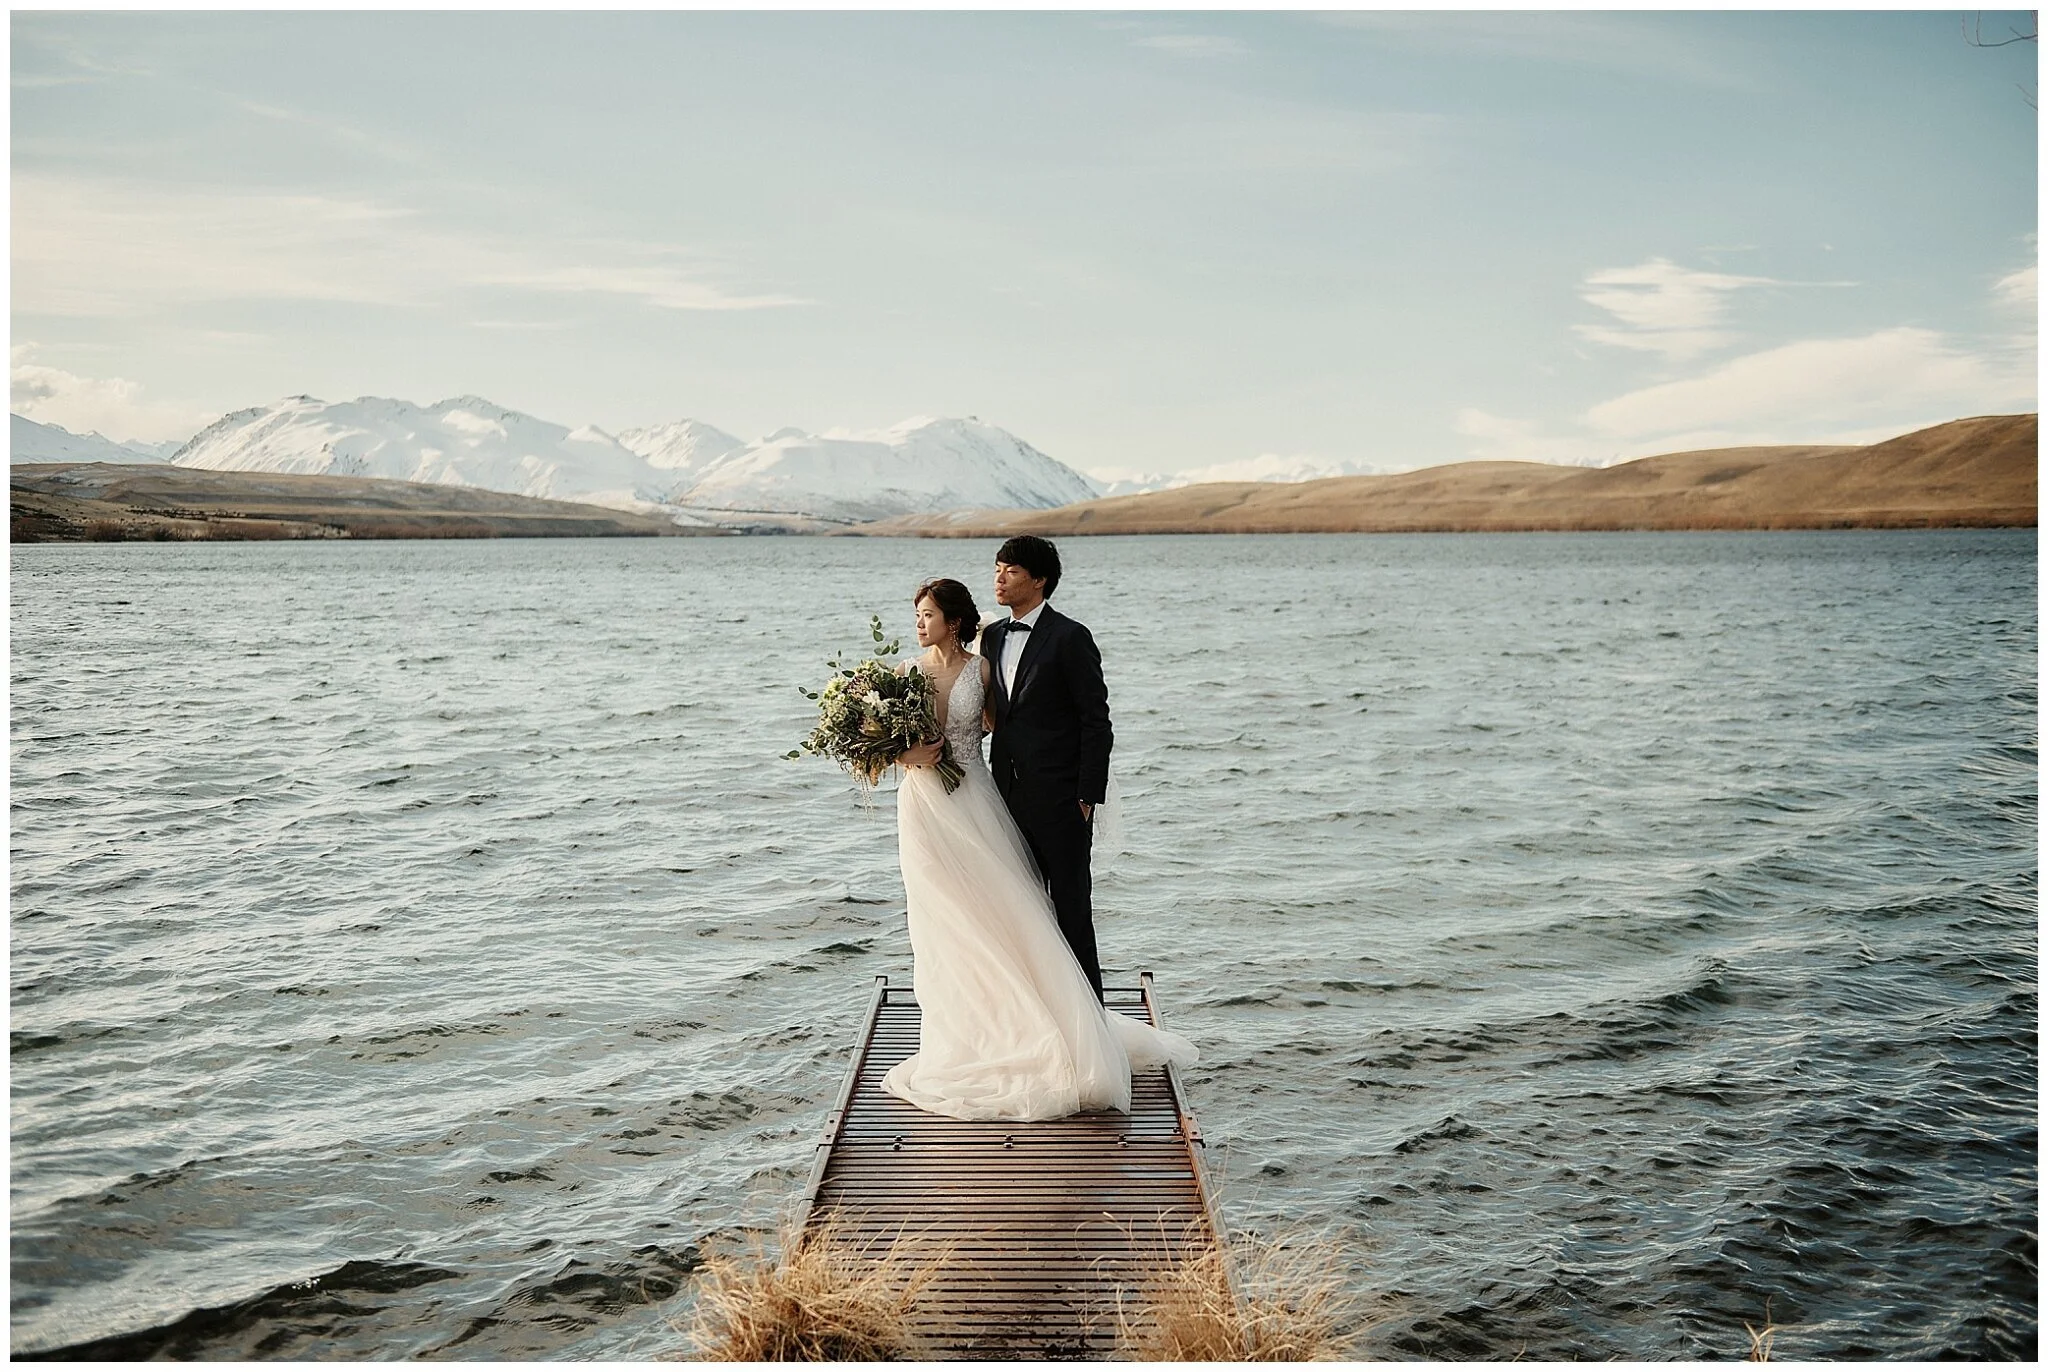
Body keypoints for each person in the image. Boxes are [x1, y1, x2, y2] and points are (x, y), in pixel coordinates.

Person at [885, 575, 1193, 1121]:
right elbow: (884, 746)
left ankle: (1034, 1020)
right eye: (917, 615)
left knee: (1001, 906)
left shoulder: (982, 667)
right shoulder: (903, 675)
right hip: (922, 807)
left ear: (953, 622)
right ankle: (961, 1019)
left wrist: (1074, 786)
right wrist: (910, 756)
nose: (919, 623)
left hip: (975, 796)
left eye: (928, 614)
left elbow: (1018, 726)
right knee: (938, 915)